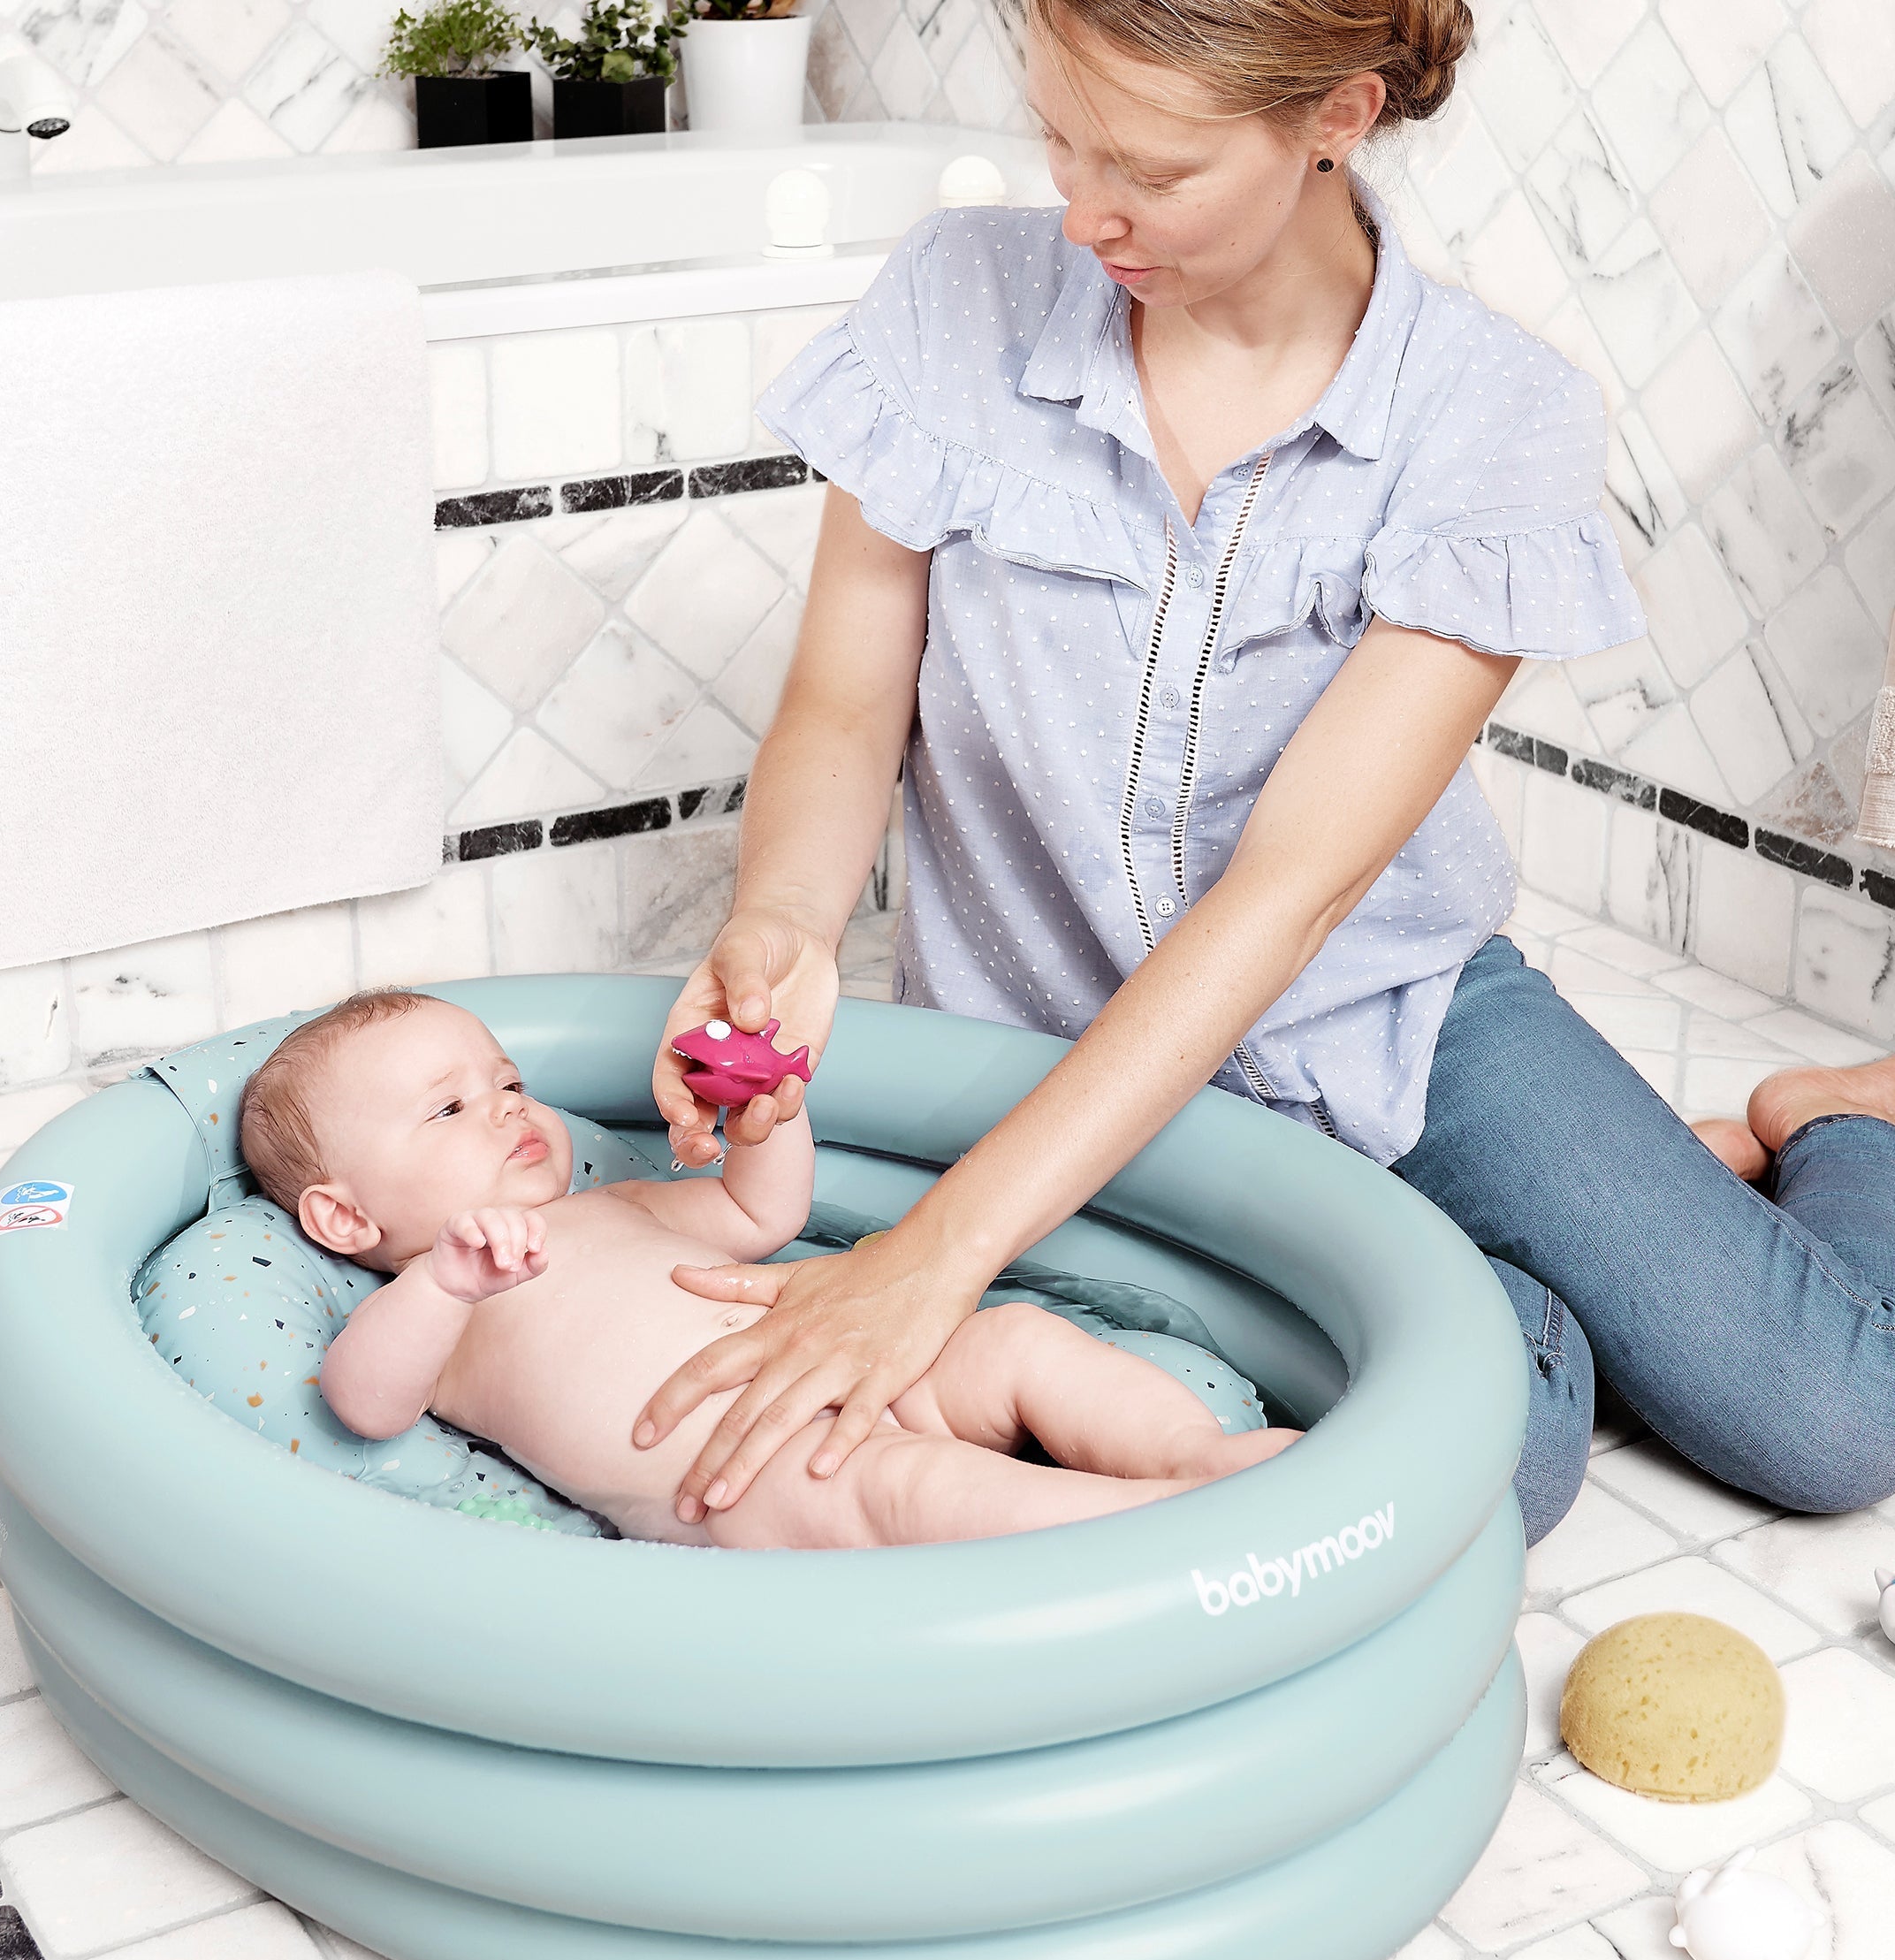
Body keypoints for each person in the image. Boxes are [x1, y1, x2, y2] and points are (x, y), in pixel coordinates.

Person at [635, 0, 1895, 1544]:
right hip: (1044, 1051)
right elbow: (842, 703)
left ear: (1337, 118)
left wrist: (938, 1253)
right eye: (1059, 139)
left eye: (1151, 167)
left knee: (1836, 1427)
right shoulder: (953, 303)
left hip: (1402, 1028)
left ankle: (1842, 1120)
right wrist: (783, 925)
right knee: (1488, 1466)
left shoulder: (1494, 419)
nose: (1085, 209)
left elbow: (1290, 901)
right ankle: (1556, 1263)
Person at [234, 989, 1297, 1550]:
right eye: (450, 1108)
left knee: (1012, 1342)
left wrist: (761, 1113)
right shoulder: (438, 1306)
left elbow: (761, 1210)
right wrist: (442, 1284)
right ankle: (1167, 1535)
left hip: (847, 1371)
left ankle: (1192, 1457)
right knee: (915, 1487)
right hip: (757, 1485)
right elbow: (364, 1404)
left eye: (506, 1080)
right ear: (343, 1216)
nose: (510, 1104)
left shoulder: (614, 1204)